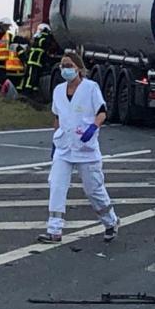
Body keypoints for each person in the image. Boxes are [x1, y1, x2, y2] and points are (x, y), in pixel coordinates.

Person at [40, 53, 119, 244]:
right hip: (64, 148)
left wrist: (93, 128)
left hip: (86, 148)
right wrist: (54, 141)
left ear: (78, 68)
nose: (65, 69)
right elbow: (57, 117)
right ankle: (54, 230)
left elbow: (101, 112)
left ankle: (110, 222)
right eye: (62, 65)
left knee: (93, 189)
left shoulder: (90, 88)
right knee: (57, 185)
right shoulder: (59, 90)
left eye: (69, 65)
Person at [20, 24, 53, 92]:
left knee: (35, 76)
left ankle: (33, 90)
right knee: (31, 76)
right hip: (34, 60)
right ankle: (27, 90)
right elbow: (43, 44)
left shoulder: (38, 37)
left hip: (36, 61)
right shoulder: (42, 38)